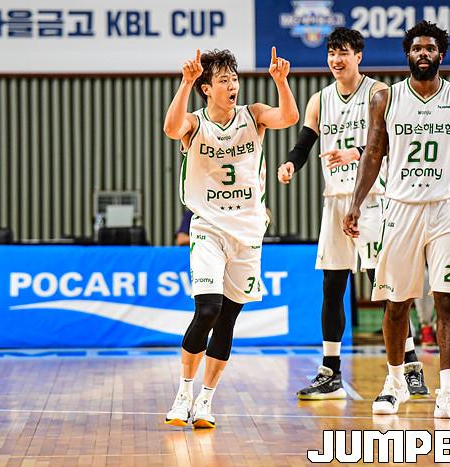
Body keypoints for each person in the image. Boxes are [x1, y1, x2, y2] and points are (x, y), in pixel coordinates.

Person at [343, 21, 450, 419]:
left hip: (447, 207)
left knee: (449, 300)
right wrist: (356, 202)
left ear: (440, 55)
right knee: (397, 302)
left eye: (430, 48)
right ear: (408, 54)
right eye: (417, 48)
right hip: (401, 207)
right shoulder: (386, 98)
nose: (423, 54)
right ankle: (395, 383)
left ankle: (448, 392)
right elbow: (373, 152)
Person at [277, 27, 428, 400]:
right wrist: (291, 164)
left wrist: (356, 153)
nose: (336, 59)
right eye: (331, 52)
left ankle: (410, 366)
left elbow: (394, 140)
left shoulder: (380, 93)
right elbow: (305, 142)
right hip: (335, 200)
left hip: (373, 198)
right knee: (332, 287)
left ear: (358, 56)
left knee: (386, 285)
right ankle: (330, 371)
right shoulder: (319, 99)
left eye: (343, 52)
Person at [162, 48, 299, 428]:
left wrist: (281, 82)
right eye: (223, 80)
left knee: (227, 320)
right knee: (207, 309)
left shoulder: (253, 115)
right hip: (208, 226)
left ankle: (206, 401)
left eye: (234, 79)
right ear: (207, 88)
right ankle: (183, 393)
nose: (232, 85)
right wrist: (185, 82)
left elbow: (289, 117)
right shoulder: (195, 122)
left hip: (248, 230)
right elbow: (171, 128)